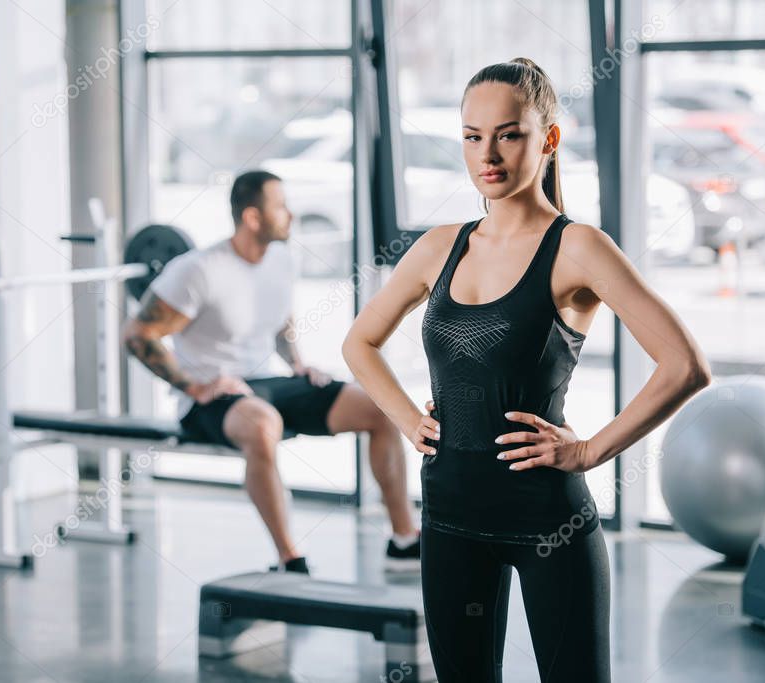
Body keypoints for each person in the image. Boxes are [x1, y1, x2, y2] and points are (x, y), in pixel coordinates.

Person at [342, 58, 712, 681]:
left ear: (548, 139)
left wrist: (589, 451)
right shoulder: (440, 246)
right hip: (450, 514)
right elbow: (360, 343)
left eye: (508, 134)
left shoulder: (578, 247)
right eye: (471, 135)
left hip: (548, 520)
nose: (487, 153)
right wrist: (409, 420)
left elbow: (685, 366)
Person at [123, 170, 422, 574]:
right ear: (252, 217)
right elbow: (138, 335)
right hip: (215, 398)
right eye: (280, 207)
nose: (291, 216)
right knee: (264, 424)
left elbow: (280, 323)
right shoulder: (198, 270)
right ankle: (289, 559)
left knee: (379, 408)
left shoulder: (280, 259)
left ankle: (404, 541)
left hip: (267, 382)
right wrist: (194, 386)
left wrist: (296, 363)